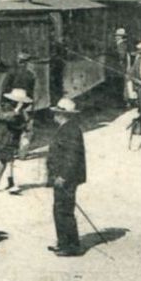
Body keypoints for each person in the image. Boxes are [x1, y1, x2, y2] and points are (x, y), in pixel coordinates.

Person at [45, 97, 86, 257]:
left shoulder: (70, 130)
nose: (54, 115)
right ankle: (63, 242)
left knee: (64, 211)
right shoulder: (67, 127)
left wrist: (63, 176)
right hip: (61, 177)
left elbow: (72, 157)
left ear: (63, 114)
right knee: (59, 209)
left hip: (65, 178)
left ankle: (71, 246)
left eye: (56, 112)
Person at [0, 89, 32, 192]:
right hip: (5, 138)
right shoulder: (6, 107)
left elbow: (24, 123)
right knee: (8, 160)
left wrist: (25, 124)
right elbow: (6, 118)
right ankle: (10, 183)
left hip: (12, 138)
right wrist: (16, 111)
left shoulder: (21, 110)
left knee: (4, 161)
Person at [0, 51, 37, 155]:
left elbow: (4, 89)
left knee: (12, 128)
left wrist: (3, 104)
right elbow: (30, 92)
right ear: (27, 62)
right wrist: (27, 104)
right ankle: (22, 152)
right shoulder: (31, 75)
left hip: (10, 102)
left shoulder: (11, 72)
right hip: (24, 104)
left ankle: (11, 151)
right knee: (26, 129)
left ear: (18, 61)